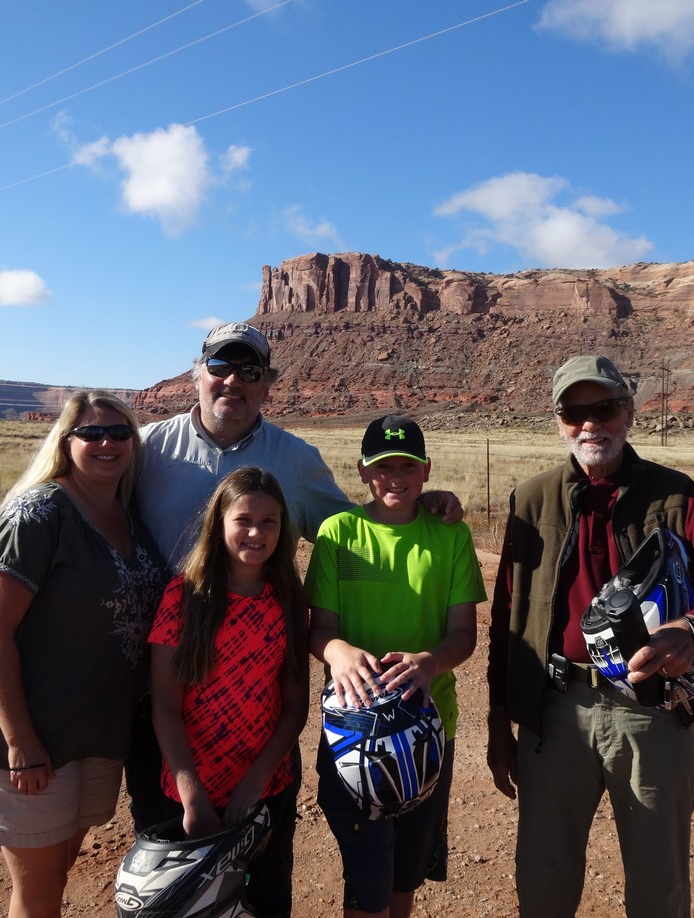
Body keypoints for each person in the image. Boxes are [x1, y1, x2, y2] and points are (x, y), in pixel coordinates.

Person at [128, 321, 465, 835]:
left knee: (263, 865)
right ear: (197, 373)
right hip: (163, 677)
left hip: (258, 689)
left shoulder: (297, 460)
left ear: (267, 383)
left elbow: (358, 526)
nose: (233, 381)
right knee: (174, 862)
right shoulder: (144, 448)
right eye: (220, 366)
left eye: (250, 371)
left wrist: (425, 503)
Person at [485, 355, 694, 918]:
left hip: (651, 712)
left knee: (657, 885)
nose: (590, 423)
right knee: (542, 882)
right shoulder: (532, 499)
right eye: (575, 411)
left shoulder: (674, 495)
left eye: (605, 408)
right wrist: (502, 722)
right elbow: (506, 619)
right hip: (554, 712)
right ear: (558, 420)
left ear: (630, 412)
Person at [0, 390, 167, 918]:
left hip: (94, 730)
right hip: (29, 732)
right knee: (39, 886)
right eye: (91, 433)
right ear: (65, 440)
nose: (106, 442)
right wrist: (21, 742)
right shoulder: (38, 512)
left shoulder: (129, 513)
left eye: (120, 433)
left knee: (62, 864)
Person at [307, 415, 485, 918]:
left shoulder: (450, 537)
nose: (395, 476)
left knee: (404, 876)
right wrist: (337, 651)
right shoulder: (338, 533)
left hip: (427, 731)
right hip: (352, 734)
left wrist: (429, 664)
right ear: (363, 471)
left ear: (426, 471)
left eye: (407, 464)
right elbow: (319, 629)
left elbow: (463, 635)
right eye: (382, 466)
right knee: (366, 880)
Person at [148, 467, 308, 918]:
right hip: (191, 793)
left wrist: (258, 779)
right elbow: (165, 707)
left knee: (266, 899)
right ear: (218, 523)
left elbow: (295, 706)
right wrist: (192, 796)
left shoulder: (288, 599)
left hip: (265, 789)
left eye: (269, 521)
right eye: (243, 520)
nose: (256, 532)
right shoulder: (184, 597)